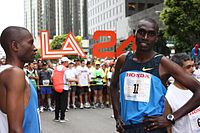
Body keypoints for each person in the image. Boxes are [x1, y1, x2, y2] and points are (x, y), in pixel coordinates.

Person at [110, 18, 200, 133]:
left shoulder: (163, 63)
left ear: (156, 38)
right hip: (127, 128)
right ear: (134, 33)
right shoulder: (123, 60)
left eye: (151, 34)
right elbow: (113, 86)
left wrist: (171, 118)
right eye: (142, 32)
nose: (145, 37)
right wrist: (117, 116)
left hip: (152, 128)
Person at [0, 26, 40, 133]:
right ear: (15, 46)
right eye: (30, 43)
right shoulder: (15, 74)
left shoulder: (10, 73)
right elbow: (15, 129)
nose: (34, 48)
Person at [165, 53, 200, 133]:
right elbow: (168, 127)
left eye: (193, 65)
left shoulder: (197, 88)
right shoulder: (168, 96)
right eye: (188, 67)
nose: (193, 69)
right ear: (177, 71)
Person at [52, 57, 72, 122]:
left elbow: (52, 77)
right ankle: (62, 118)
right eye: (67, 62)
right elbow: (68, 79)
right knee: (63, 103)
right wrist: (77, 79)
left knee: (57, 103)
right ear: (65, 62)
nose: (68, 63)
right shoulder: (66, 69)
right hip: (64, 87)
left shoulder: (55, 69)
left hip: (56, 87)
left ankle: (56, 117)